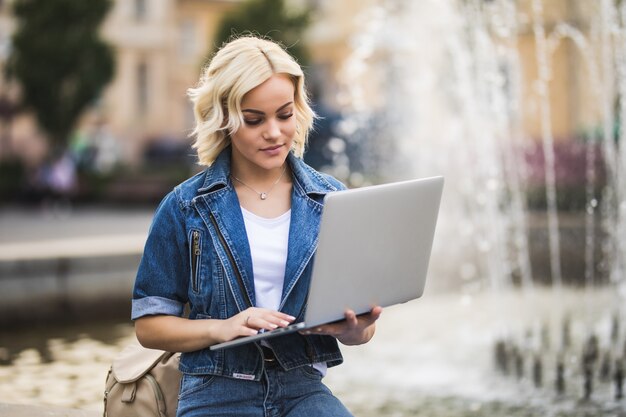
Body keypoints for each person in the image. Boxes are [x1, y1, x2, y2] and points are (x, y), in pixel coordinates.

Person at [132, 36, 382, 417]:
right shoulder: (185, 206)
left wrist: (352, 328)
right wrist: (224, 327)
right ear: (225, 119)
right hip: (216, 391)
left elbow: (361, 334)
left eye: (284, 115)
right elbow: (149, 327)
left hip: (302, 389)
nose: (274, 132)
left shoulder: (333, 199)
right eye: (254, 120)